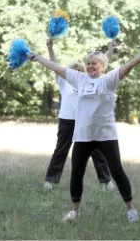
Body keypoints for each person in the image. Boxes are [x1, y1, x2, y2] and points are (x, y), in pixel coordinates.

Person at [26, 45, 140, 223]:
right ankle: (75, 211)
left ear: (103, 66)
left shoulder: (109, 79)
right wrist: (36, 57)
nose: (91, 66)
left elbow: (130, 64)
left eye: (94, 64)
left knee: (117, 171)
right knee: (77, 172)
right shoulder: (79, 78)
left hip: (106, 135)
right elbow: (55, 67)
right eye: (89, 63)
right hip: (83, 136)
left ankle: (130, 209)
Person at [41, 39, 114, 191]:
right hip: (67, 120)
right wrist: (50, 49)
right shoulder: (64, 81)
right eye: (75, 71)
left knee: (97, 151)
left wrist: (111, 48)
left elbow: (103, 63)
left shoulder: (88, 82)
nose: (78, 73)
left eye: (81, 71)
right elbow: (54, 65)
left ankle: (106, 182)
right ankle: (51, 180)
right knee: (61, 150)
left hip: (86, 121)